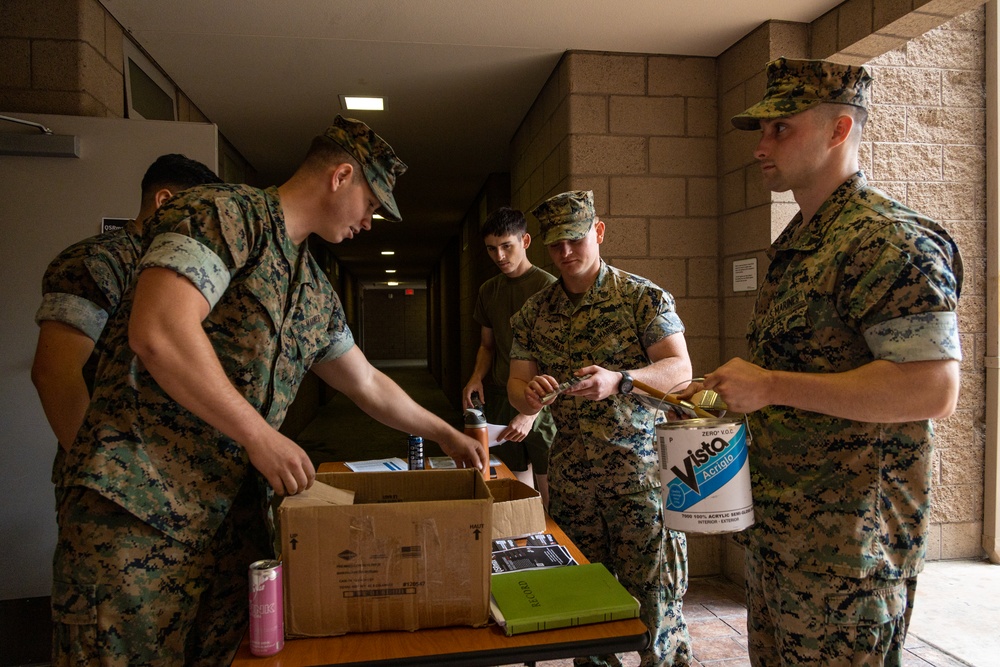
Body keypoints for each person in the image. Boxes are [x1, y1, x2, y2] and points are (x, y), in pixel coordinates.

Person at [50, 116, 488, 666]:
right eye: (371, 204)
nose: (369, 223)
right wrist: (259, 435)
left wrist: (445, 433)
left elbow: (366, 382)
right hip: (138, 511)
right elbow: (159, 329)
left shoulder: (311, 285)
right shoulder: (224, 215)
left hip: (229, 524)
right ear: (341, 176)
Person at [703, 58, 963, 665]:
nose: (761, 146)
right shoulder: (801, 244)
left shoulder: (890, 241)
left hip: (850, 553)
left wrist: (768, 385)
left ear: (839, 129)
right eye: (762, 131)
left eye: (781, 128)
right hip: (785, 538)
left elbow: (930, 388)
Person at [507, 190, 694, 667]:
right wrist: (528, 396)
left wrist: (622, 381)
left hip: (639, 476)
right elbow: (516, 382)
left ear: (599, 232)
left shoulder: (641, 297)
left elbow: (679, 370)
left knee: (655, 599)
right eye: (555, 245)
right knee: (585, 604)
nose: (565, 252)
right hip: (573, 481)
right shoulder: (534, 313)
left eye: (575, 239)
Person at [32, 153, 222, 453]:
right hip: (114, 470)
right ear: (164, 201)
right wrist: (94, 465)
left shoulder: (176, 268)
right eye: (200, 213)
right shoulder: (99, 261)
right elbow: (54, 372)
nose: (207, 227)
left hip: (166, 461)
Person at [462, 206, 557, 505]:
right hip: (503, 399)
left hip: (544, 404)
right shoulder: (488, 291)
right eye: (492, 249)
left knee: (548, 499)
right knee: (515, 494)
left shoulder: (548, 288)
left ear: (525, 241)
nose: (499, 256)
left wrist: (531, 414)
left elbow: (561, 360)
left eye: (507, 246)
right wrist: (476, 377)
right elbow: (487, 346)